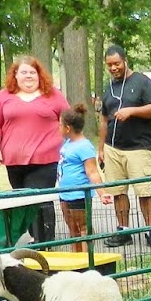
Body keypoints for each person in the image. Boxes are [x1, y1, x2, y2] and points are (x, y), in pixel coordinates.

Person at [0, 55, 69, 243]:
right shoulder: (4, 96)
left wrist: (68, 144)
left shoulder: (52, 95)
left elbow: (68, 119)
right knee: (23, 200)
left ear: (39, 75)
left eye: (32, 72)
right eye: (24, 72)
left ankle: (44, 241)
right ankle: (34, 237)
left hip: (46, 159)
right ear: (15, 75)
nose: (28, 76)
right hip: (14, 161)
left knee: (39, 199)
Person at [97, 43, 151, 249]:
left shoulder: (142, 81)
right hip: (113, 148)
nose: (113, 68)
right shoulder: (109, 87)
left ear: (125, 61)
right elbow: (103, 119)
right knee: (118, 192)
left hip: (139, 146)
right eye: (109, 65)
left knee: (143, 191)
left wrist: (131, 111)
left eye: (116, 63)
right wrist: (101, 148)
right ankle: (124, 231)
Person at [55, 103, 105, 250]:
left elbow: (92, 172)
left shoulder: (84, 146)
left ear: (68, 128)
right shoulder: (68, 143)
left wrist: (102, 193)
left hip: (79, 195)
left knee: (83, 228)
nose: (58, 128)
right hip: (65, 194)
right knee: (72, 229)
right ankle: (77, 258)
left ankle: (87, 259)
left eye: (60, 125)